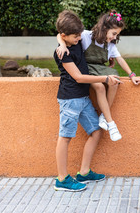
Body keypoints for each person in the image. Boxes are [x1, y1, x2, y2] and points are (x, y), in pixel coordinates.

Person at [53, 10, 122, 192]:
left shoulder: (72, 41)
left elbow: (62, 35)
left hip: (83, 99)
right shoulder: (62, 53)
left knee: (96, 132)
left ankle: (84, 172)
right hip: (70, 100)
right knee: (65, 137)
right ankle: (62, 179)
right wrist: (104, 79)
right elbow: (78, 77)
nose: (78, 39)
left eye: (78, 35)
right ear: (64, 36)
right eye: (75, 37)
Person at [56, 9, 140, 142]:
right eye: (113, 33)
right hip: (86, 69)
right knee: (100, 88)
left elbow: (120, 59)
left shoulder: (110, 45)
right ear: (105, 28)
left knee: (114, 80)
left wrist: (132, 75)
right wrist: (62, 44)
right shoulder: (85, 35)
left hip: (99, 69)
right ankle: (111, 123)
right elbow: (61, 34)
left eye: (117, 34)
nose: (115, 37)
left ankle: (104, 115)